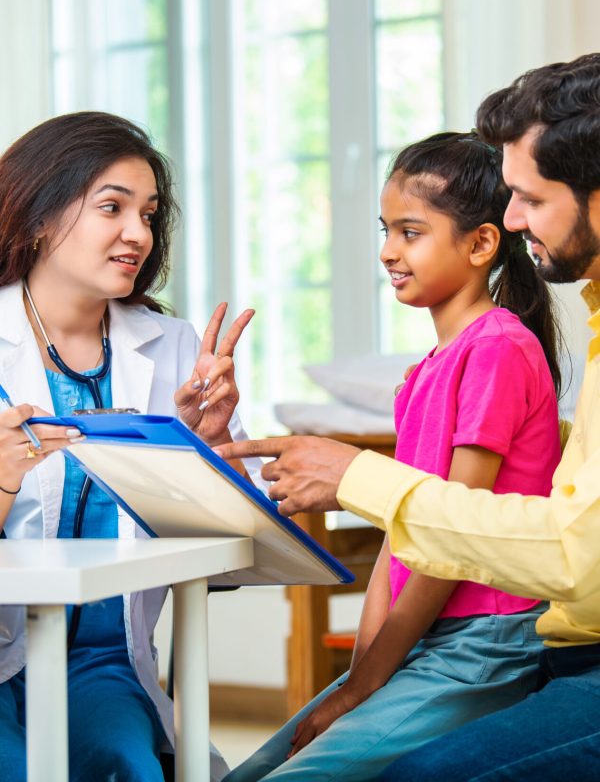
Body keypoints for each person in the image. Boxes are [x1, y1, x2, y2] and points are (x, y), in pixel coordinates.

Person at [216, 53, 600, 780]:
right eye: (385, 230)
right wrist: (362, 673)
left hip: (485, 636)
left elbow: (453, 541)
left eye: (411, 232)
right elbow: (406, 539)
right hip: (443, 637)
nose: (388, 251)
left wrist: (365, 683)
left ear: (481, 244)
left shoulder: (498, 348)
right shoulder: (425, 373)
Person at [0, 111, 260, 782]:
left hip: (101, 660)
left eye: (149, 213)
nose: (137, 234)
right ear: (37, 215)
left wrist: (213, 448)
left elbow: (235, 560)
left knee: (123, 766)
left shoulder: (172, 349)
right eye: (112, 208)